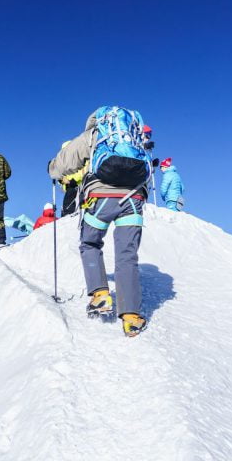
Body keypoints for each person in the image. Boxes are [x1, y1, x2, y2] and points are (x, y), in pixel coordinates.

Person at [49, 106, 150, 337]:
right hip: (133, 198)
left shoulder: (95, 135)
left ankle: (100, 295)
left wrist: (52, 169)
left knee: (90, 243)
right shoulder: (134, 137)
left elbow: (65, 162)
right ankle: (131, 317)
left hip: (101, 197)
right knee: (127, 254)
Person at [58, 140, 86, 216]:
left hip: (77, 185)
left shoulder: (79, 158)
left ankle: (69, 217)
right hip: (70, 186)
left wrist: (73, 180)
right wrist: (61, 180)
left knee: (71, 207)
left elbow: (84, 171)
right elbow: (61, 175)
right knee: (68, 206)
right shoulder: (64, 163)